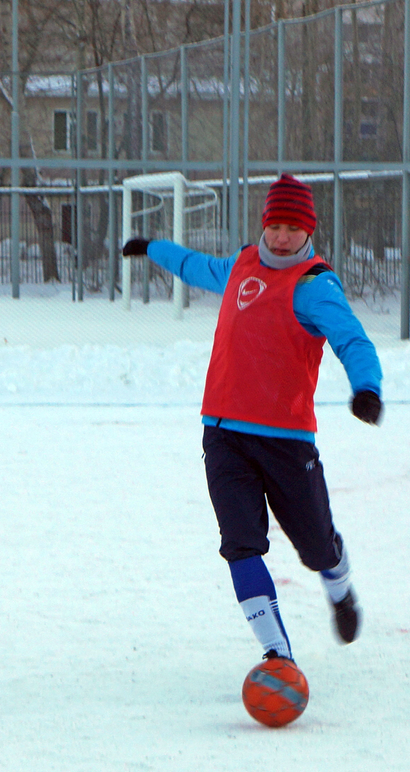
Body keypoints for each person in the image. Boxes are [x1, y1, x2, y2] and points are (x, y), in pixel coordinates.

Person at [122, 173, 383, 665]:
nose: (282, 237)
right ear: (264, 224)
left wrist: (367, 388)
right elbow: (197, 267)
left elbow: (352, 340)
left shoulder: (314, 285)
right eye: (275, 226)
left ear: (309, 231)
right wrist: (153, 247)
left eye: (293, 228)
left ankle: (339, 584)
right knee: (240, 545)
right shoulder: (243, 263)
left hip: (287, 442)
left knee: (317, 549)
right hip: (223, 433)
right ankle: (277, 655)